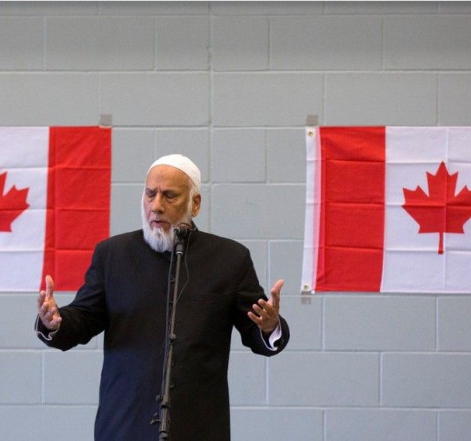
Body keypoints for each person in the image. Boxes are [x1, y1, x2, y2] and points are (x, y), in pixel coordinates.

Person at [35, 154, 290, 441]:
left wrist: (269, 327)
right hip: (124, 424)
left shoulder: (230, 259)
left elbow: (257, 333)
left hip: (199, 427)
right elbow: (83, 318)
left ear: (194, 203)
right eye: (150, 194)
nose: (156, 206)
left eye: (169, 196)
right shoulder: (113, 255)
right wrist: (54, 322)